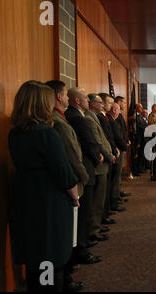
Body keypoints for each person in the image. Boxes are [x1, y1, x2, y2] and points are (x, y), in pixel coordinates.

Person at [9, 81, 80, 292]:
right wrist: (75, 196)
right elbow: (63, 173)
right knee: (50, 256)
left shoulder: (15, 134)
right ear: (42, 103)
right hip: (49, 202)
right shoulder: (47, 134)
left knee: (36, 259)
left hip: (26, 199)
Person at [45, 81, 101, 267]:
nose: (88, 100)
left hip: (76, 173)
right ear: (60, 97)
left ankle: (74, 255)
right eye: (86, 97)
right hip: (74, 176)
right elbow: (71, 153)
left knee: (81, 218)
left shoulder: (63, 117)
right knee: (77, 221)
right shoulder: (62, 121)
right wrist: (84, 176)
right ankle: (75, 258)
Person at [65, 89, 109, 247]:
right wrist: (98, 155)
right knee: (87, 209)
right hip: (88, 166)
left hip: (91, 163)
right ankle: (84, 243)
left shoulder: (79, 115)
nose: (87, 102)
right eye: (85, 98)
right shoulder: (77, 117)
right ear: (77, 100)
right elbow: (89, 141)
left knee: (93, 204)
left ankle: (90, 234)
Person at [85, 93, 116, 234]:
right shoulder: (90, 118)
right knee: (97, 198)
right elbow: (98, 141)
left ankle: (96, 225)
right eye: (100, 102)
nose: (103, 105)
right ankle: (94, 229)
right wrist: (109, 155)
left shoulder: (93, 117)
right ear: (92, 104)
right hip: (99, 163)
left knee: (100, 196)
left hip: (104, 160)